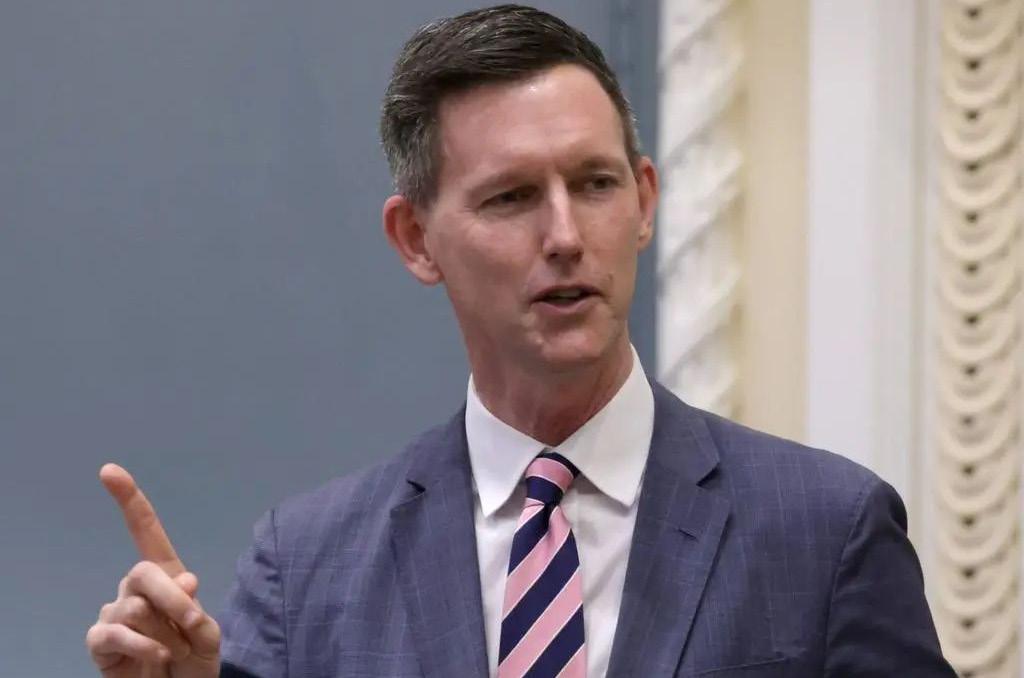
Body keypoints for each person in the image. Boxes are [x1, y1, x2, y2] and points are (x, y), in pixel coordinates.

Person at [86, 4, 957, 677]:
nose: (566, 235)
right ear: (416, 240)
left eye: (596, 183)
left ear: (646, 201)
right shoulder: (308, 569)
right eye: (511, 197)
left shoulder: (825, 532)